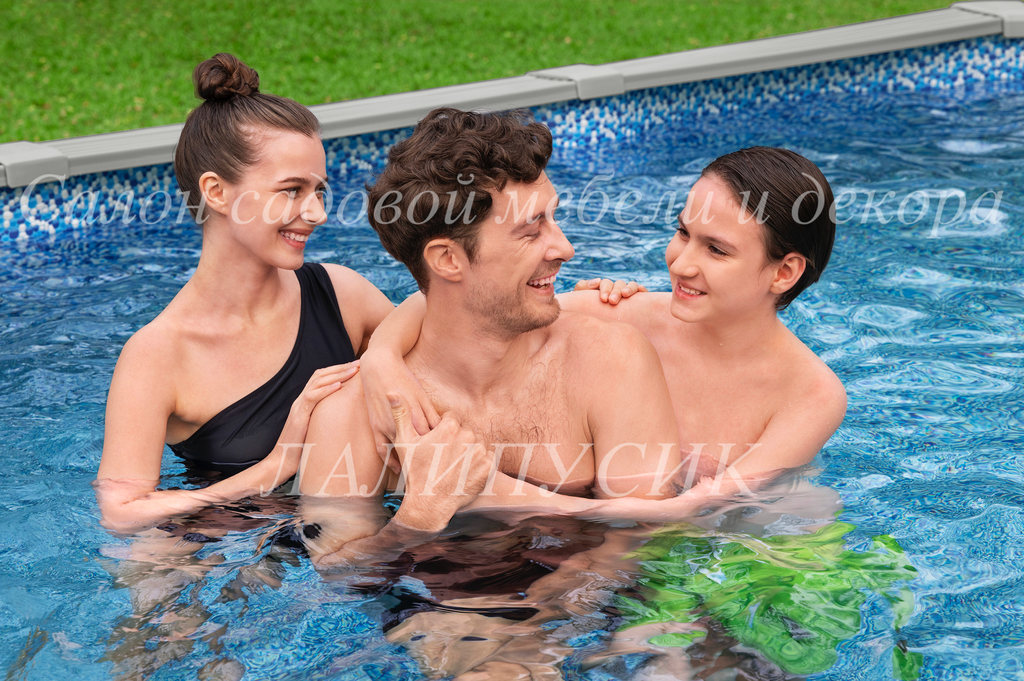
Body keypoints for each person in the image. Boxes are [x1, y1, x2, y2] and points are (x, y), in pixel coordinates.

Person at [364, 146, 848, 513]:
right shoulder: (621, 314)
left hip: (734, 537)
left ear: (784, 272)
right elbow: (468, 303)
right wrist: (381, 356)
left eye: (716, 250)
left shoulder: (811, 394)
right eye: (683, 233)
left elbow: (690, 513)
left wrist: (489, 489)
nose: (681, 263)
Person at [294, 107, 682, 558]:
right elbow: (337, 576)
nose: (565, 248)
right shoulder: (351, 412)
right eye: (531, 232)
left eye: (553, 219)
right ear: (448, 260)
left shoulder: (610, 361)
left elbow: (648, 539)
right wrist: (418, 517)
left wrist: (548, 602)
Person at [95, 53, 393, 533]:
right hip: (234, 552)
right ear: (216, 192)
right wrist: (276, 464)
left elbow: (442, 344)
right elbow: (121, 513)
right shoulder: (158, 355)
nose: (317, 213)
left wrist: (389, 355)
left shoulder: (341, 295)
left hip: (355, 533)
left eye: (319, 191)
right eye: (291, 190)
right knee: (156, 554)